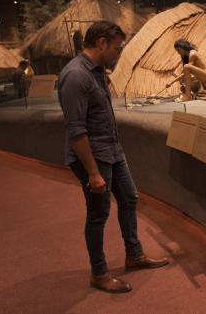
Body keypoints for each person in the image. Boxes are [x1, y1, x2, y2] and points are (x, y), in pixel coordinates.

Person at [58, 20, 168, 293]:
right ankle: (99, 273)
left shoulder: (96, 71)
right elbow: (76, 131)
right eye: (117, 48)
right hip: (93, 158)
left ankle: (134, 254)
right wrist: (93, 173)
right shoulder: (76, 76)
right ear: (102, 43)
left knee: (129, 198)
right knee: (98, 214)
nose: (119, 53)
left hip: (112, 151)